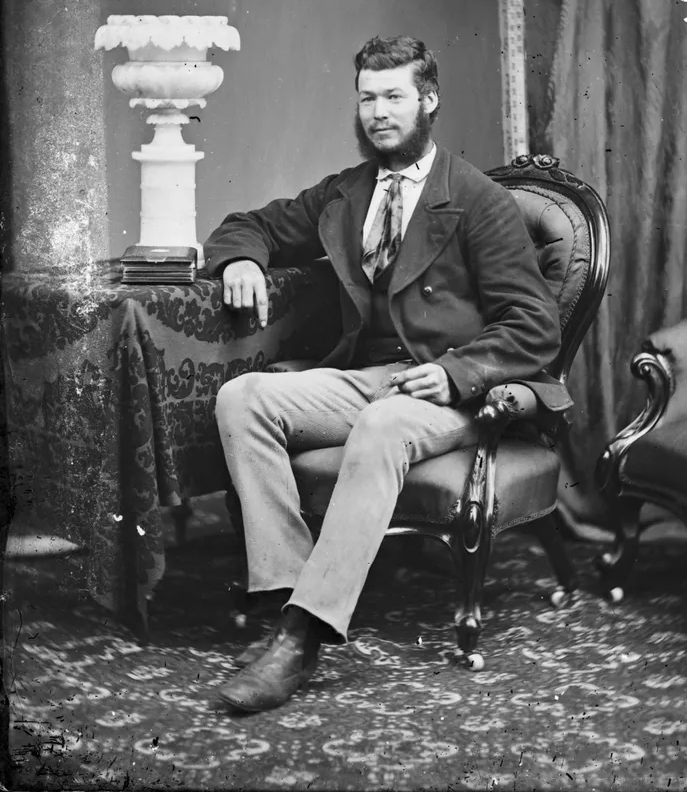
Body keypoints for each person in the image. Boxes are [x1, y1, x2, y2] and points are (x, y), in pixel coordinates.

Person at [204, 35, 569, 712]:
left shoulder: (478, 199)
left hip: (454, 388)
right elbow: (249, 224)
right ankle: (288, 596)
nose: (378, 112)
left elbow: (534, 323)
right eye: (367, 98)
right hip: (370, 373)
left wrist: (455, 372)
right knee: (242, 397)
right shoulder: (346, 193)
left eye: (394, 96)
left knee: (381, 425)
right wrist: (241, 260)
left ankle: (302, 639)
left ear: (428, 101)